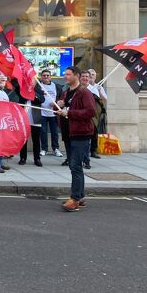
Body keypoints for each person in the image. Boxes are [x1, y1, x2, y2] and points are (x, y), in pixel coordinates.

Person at [57, 66, 97, 212]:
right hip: (69, 133)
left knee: (75, 166)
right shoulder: (66, 92)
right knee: (74, 166)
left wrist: (69, 112)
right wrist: (59, 105)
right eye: (65, 74)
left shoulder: (84, 93)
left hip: (81, 134)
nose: (65, 76)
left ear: (77, 76)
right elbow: (64, 107)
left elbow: (90, 111)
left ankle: (74, 199)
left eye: (68, 74)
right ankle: (79, 197)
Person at [12, 80, 44, 167]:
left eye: (32, 81)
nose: (30, 82)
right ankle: (23, 158)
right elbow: (15, 86)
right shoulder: (22, 89)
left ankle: (37, 159)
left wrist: (33, 92)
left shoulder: (38, 90)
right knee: (23, 139)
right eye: (29, 80)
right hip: (24, 117)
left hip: (35, 117)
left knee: (36, 140)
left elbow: (42, 100)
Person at [38, 70, 63, 158]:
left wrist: (56, 103)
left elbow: (61, 99)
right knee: (43, 132)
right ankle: (44, 149)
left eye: (48, 75)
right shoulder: (38, 86)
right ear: (41, 77)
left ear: (50, 76)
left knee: (54, 132)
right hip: (42, 112)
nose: (46, 77)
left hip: (53, 113)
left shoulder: (56, 86)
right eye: (44, 75)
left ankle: (55, 149)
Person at [86, 68, 106, 160]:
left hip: (95, 112)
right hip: (86, 111)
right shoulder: (84, 86)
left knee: (95, 132)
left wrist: (99, 91)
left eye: (93, 75)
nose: (91, 77)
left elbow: (105, 99)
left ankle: (93, 150)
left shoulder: (99, 87)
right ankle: (85, 150)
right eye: (89, 75)